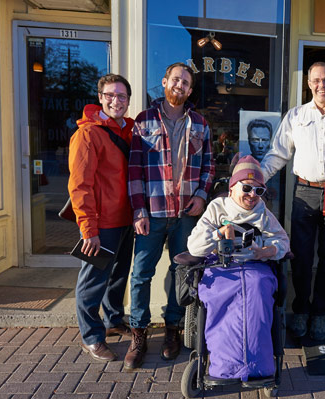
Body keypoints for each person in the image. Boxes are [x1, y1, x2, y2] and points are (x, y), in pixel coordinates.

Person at [260, 61, 325, 341]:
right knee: (302, 258)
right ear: (309, 83)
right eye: (316, 80)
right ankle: (301, 310)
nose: (321, 85)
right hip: (304, 192)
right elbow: (278, 154)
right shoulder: (295, 116)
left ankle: (320, 315)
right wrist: (257, 176)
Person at [125, 62, 215, 370]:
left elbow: (209, 167)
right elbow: (134, 171)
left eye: (186, 82)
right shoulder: (144, 121)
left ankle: (173, 330)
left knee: (182, 276)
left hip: (186, 215)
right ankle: (139, 334)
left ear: (190, 90)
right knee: (140, 275)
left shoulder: (200, 124)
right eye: (175, 79)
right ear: (164, 81)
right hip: (152, 213)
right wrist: (138, 210)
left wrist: (202, 196)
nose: (179, 85)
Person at [186, 155, 290, 381]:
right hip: (220, 267)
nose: (253, 195)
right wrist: (218, 234)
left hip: (255, 267)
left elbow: (283, 241)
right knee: (218, 294)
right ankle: (224, 367)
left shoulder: (263, 212)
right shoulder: (217, 207)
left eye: (259, 191)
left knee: (257, 288)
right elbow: (194, 246)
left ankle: (258, 367)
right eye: (247, 188)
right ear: (232, 187)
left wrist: (268, 251)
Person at [68, 74, 134, 361]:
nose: (116, 101)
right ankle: (91, 336)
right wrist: (88, 229)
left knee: (118, 276)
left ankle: (113, 320)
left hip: (126, 220)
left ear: (128, 101)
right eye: (110, 95)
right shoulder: (87, 134)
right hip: (101, 223)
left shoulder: (129, 131)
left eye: (121, 96)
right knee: (93, 280)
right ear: (100, 98)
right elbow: (79, 185)